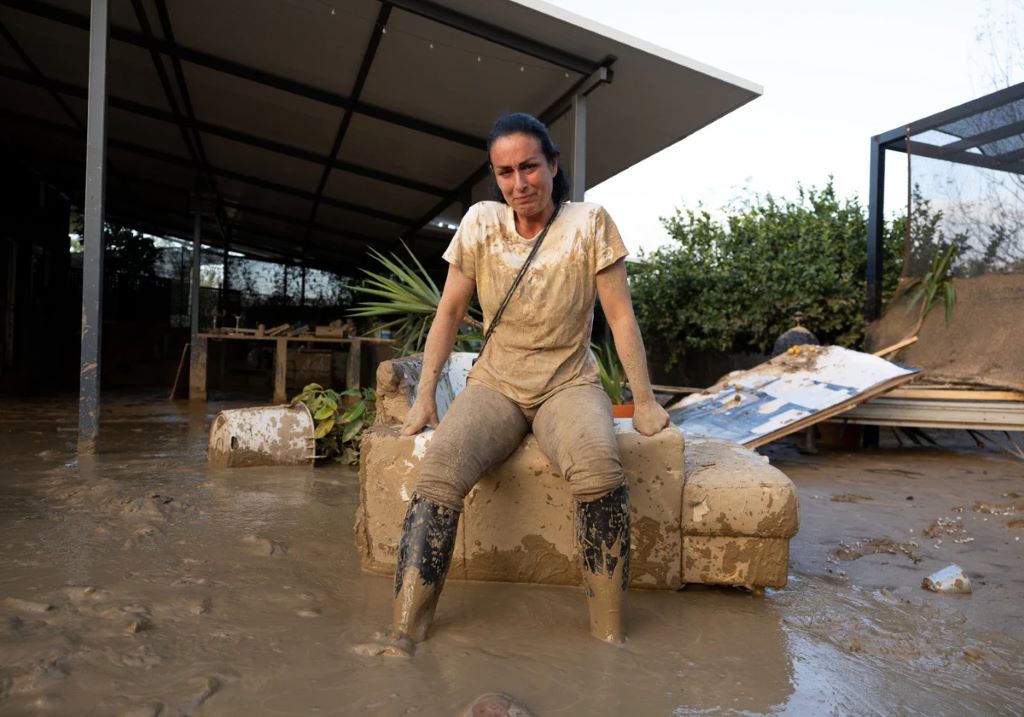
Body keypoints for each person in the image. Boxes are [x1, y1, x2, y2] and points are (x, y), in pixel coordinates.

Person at [373, 112, 668, 655]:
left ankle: (610, 636)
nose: (519, 183)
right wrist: (422, 398)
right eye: (505, 172)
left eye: (529, 167)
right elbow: (447, 313)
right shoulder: (481, 224)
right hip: (495, 385)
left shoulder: (590, 223)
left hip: (568, 385)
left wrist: (644, 402)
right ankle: (403, 634)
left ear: (553, 166)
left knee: (599, 469)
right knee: (438, 474)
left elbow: (622, 317)